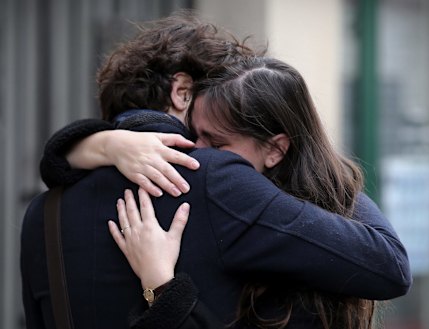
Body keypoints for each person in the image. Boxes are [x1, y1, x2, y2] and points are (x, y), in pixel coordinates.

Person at [21, 13, 411, 329]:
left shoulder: (43, 212)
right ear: (182, 91)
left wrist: (97, 143)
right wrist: (317, 157)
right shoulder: (216, 178)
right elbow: (387, 265)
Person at [109, 56, 392, 328]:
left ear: (275, 149)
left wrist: (159, 285)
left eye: (218, 144)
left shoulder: (290, 227)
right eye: (195, 134)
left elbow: (392, 266)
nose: (199, 152)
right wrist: (104, 144)